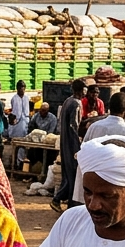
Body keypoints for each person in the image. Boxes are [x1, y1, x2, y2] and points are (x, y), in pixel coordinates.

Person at [52, 79, 86, 214]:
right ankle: (61, 200)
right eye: (84, 89)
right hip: (71, 145)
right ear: (79, 90)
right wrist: (77, 147)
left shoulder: (67, 101)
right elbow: (74, 127)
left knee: (68, 174)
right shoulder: (76, 104)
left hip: (64, 142)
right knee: (73, 175)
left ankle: (64, 202)